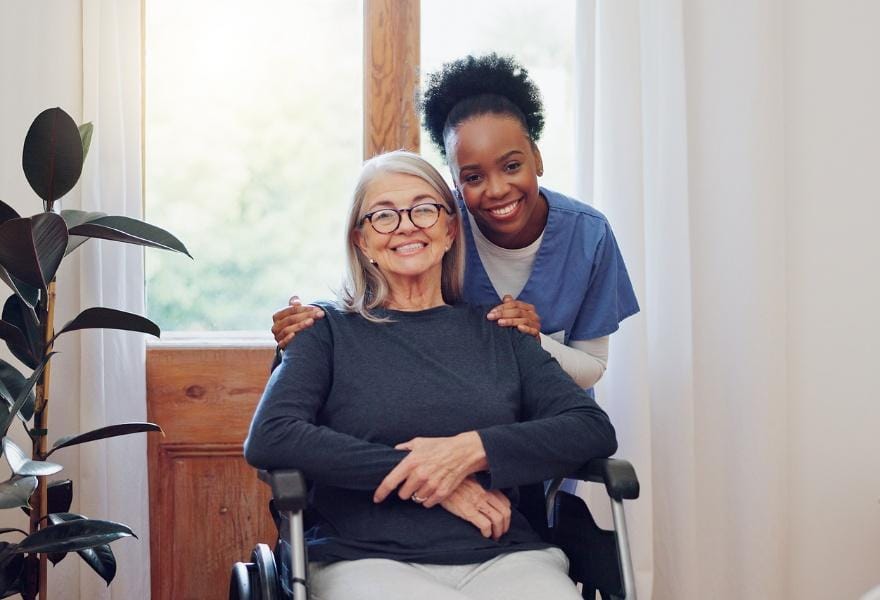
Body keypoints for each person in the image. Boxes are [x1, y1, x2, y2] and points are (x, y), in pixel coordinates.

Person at [244, 151, 618, 599]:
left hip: (505, 557)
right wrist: (430, 478)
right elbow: (273, 436)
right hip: (366, 558)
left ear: (449, 228)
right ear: (361, 240)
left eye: (423, 209)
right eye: (383, 215)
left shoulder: (501, 331)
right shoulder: (323, 331)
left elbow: (591, 429)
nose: (406, 225)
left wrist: (471, 450)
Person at [271, 53, 639, 391]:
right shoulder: (435, 230)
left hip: (554, 418)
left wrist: (532, 337)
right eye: (473, 177)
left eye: (512, 166)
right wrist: (314, 323)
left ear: (537, 158)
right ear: (454, 182)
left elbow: (592, 366)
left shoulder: (589, 236)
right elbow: (378, 311)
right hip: (465, 414)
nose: (496, 189)